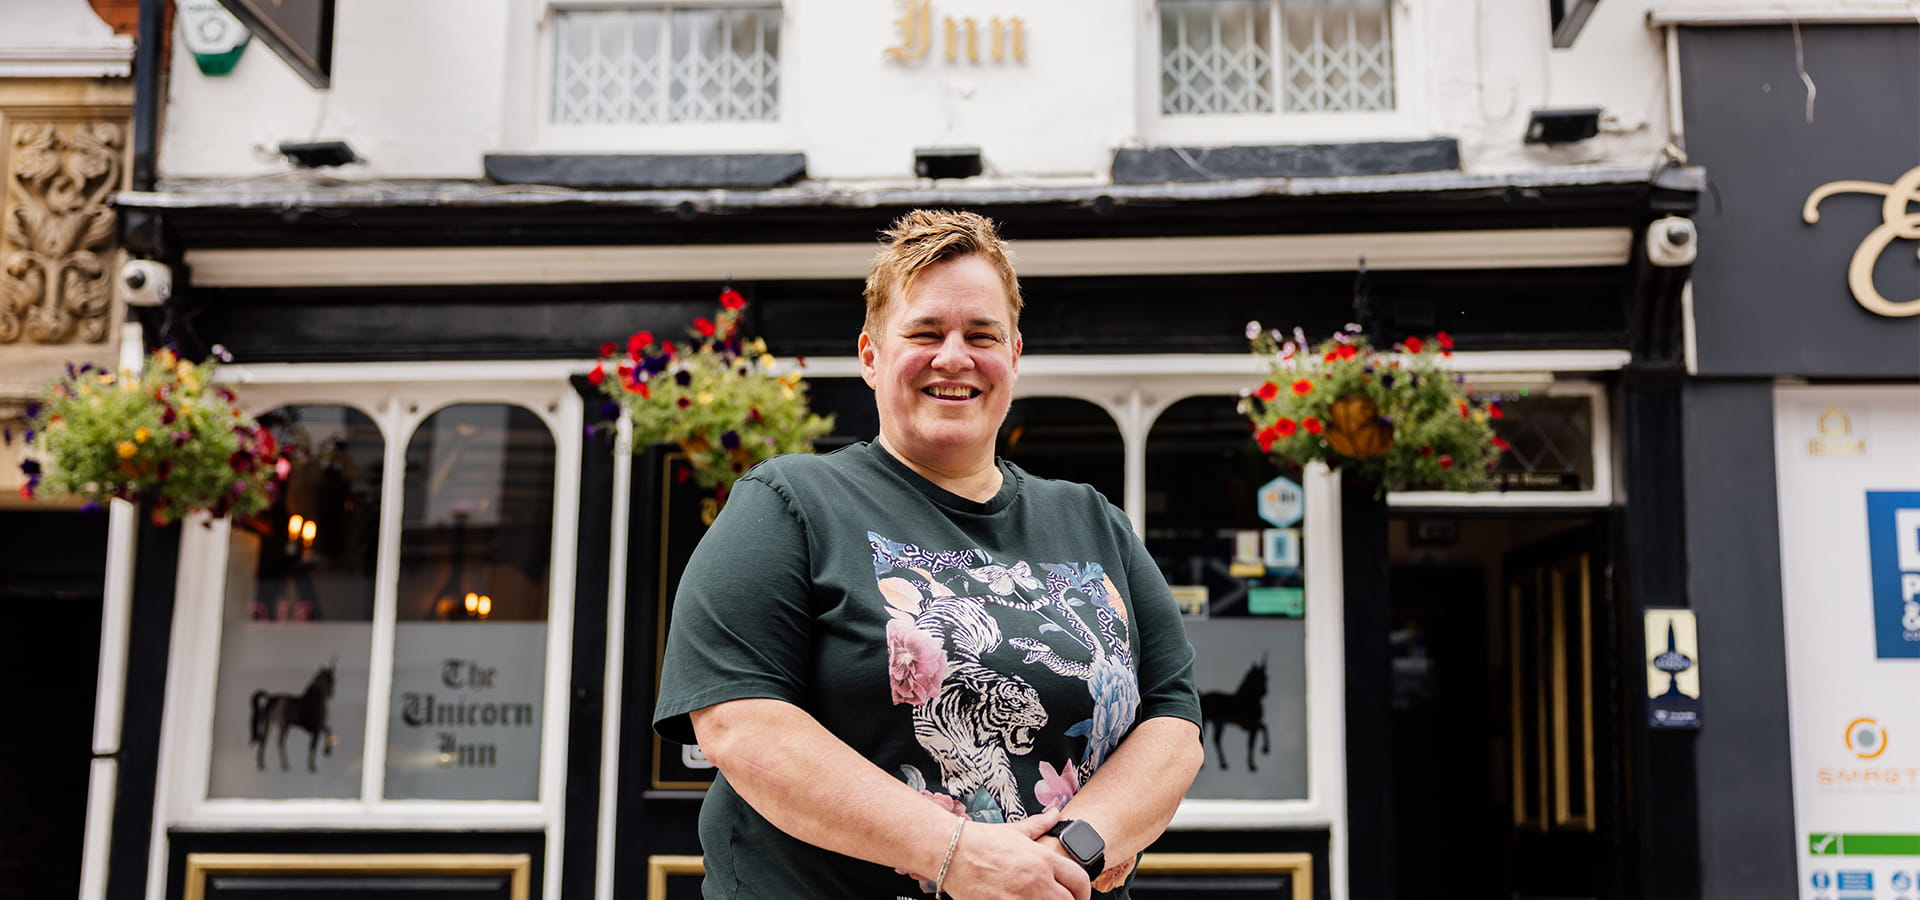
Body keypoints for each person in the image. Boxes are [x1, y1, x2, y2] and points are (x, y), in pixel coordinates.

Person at [653, 209, 1203, 899]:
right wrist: (959, 855)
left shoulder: (1092, 521)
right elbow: (739, 722)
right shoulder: (789, 504)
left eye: (982, 335)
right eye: (923, 333)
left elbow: (1173, 722)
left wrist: (1071, 854)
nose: (954, 357)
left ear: (1014, 355)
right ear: (870, 355)